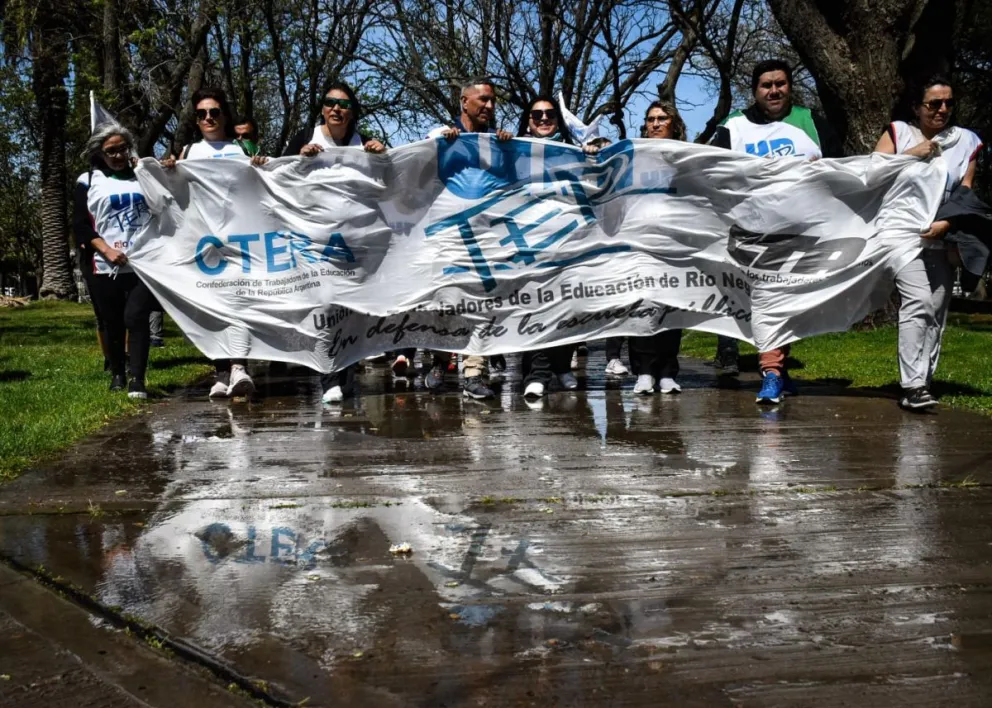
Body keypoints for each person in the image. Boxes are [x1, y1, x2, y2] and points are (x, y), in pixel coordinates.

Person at [709, 59, 842, 404]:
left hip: (802, 231)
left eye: (780, 83)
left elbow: (845, 169)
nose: (774, 90)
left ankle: (780, 371)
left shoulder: (810, 122)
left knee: (788, 306)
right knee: (768, 301)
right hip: (753, 232)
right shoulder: (734, 126)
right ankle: (770, 374)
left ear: (790, 87)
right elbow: (707, 168)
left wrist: (824, 170)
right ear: (754, 90)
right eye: (766, 85)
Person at [874, 75, 983, 411]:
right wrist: (911, 154)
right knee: (919, 301)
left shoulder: (966, 141)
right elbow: (871, 175)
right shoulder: (898, 133)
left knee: (936, 309)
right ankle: (912, 386)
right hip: (900, 232)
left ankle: (923, 380)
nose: (943, 109)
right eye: (934, 103)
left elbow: (966, 191)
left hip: (943, 232)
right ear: (916, 107)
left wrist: (948, 225)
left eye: (949, 102)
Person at [284, 82, 386, 404]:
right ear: (322, 109)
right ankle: (328, 377)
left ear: (352, 112)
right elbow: (276, 181)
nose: (336, 109)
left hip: (356, 245)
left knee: (351, 311)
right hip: (317, 244)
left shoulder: (365, 144)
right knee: (325, 308)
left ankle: (348, 375)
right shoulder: (304, 140)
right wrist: (298, 160)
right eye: (330, 103)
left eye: (343, 104)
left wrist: (383, 159)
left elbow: (389, 185)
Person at [162, 87, 267, 399]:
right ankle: (221, 372)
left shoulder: (240, 149)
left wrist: (261, 166)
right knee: (212, 305)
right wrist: (168, 172)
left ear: (224, 115)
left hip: (240, 236)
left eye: (214, 112)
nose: (208, 118)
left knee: (239, 303)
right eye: (201, 114)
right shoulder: (190, 153)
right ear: (195, 119)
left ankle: (239, 367)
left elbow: (261, 188)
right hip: (204, 240)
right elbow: (176, 195)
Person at [424, 77, 513, 400]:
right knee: (446, 302)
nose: (489, 106)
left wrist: (509, 148)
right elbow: (414, 165)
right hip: (448, 235)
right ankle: (440, 360)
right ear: (464, 102)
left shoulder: (499, 142)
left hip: (485, 237)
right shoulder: (442, 136)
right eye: (483, 100)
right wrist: (441, 142)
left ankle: (474, 372)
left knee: (481, 303)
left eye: (492, 101)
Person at [515, 95, 599, 398]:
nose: (543, 118)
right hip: (530, 244)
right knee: (536, 308)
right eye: (536, 114)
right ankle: (535, 375)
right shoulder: (513, 151)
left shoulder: (572, 152)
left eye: (550, 114)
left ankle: (562, 367)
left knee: (569, 308)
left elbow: (600, 177)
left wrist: (592, 153)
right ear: (528, 120)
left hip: (569, 242)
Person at [73, 122, 157, 399]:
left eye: (123, 149)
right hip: (103, 264)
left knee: (136, 317)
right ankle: (118, 373)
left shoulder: (144, 176)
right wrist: (106, 250)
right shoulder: (88, 180)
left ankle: (138, 379)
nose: (118, 155)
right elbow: (81, 226)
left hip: (141, 263)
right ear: (100, 153)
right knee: (112, 322)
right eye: (111, 151)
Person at [630, 101, 686, 395]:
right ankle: (643, 372)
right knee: (642, 307)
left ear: (674, 124)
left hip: (676, 243)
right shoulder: (634, 156)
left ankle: (667, 372)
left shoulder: (689, 157)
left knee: (671, 308)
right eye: (650, 119)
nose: (655, 124)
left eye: (661, 118)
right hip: (641, 242)